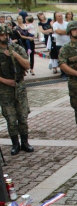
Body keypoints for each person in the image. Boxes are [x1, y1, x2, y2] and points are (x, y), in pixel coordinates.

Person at [0, 24, 34, 155]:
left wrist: (14, 55)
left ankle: (25, 142)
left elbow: (27, 64)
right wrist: (5, 81)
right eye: (2, 35)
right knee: (10, 118)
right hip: (4, 89)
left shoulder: (17, 48)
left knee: (23, 116)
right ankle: (15, 143)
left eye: (6, 35)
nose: (4, 37)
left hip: (19, 87)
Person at [53, 12, 70, 80]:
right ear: (56, 17)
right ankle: (63, 74)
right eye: (59, 16)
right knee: (62, 60)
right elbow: (58, 32)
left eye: (61, 16)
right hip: (60, 44)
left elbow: (70, 31)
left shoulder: (67, 23)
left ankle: (69, 73)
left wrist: (65, 32)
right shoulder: (55, 24)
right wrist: (66, 32)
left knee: (69, 59)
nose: (60, 17)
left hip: (68, 43)